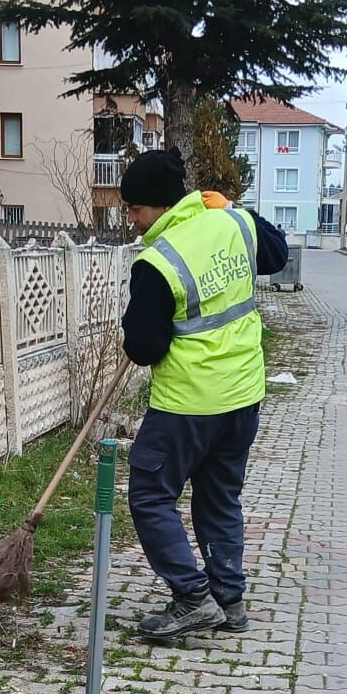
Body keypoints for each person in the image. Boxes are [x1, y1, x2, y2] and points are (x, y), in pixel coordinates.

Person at [116, 147, 288, 639]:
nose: (132, 219)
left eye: (135, 209)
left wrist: (134, 330)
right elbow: (276, 254)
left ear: (160, 207)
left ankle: (192, 597)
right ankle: (229, 602)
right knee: (219, 499)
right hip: (243, 396)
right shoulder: (231, 224)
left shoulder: (158, 260)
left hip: (187, 405)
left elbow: (146, 349)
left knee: (150, 496)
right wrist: (233, 208)